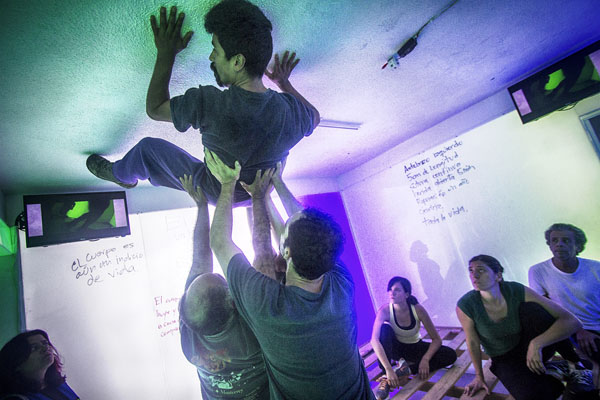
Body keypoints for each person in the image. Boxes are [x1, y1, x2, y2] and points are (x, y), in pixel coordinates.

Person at [87, 0, 320, 206]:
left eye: (215, 50)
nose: (211, 56)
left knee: (147, 150)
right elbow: (315, 116)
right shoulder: (292, 111)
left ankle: (120, 175)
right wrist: (284, 84)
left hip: (216, 190)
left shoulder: (210, 103)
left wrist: (166, 53)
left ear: (237, 62)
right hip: (258, 193)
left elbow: (155, 109)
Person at [205, 150, 374, 399]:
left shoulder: (268, 306)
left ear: (286, 251)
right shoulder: (341, 281)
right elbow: (305, 234)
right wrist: (275, 185)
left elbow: (221, 243)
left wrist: (228, 182)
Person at [176, 174, 270, 399]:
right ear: (234, 304)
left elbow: (200, 260)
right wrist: (258, 196)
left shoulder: (190, 334)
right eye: (224, 280)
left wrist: (201, 206)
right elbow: (264, 257)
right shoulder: (253, 334)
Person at [457, 254, 594, 400]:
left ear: (498, 276)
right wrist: (479, 376)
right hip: (504, 358)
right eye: (471, 270)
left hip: (530, 347)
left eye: (481, 270)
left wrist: (536, 344)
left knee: (536, 310)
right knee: (531, 395)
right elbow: (472, 342)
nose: (474, 275)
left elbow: (571, 321)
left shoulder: (515, 290)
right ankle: (557, 370)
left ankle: (575, 364)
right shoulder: (466, 305)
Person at [370, 276, 457, 399]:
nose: (392, 293)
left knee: (450, 355)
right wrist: (388, 369)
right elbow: (374, 340)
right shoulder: (384, 311)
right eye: (390, 289)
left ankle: (406, 370)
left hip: (415, 347)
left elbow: (436, 339)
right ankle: (386, 377)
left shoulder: (417, 310)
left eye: (397, 290)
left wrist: (425, 360)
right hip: (396, 350)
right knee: (385, 329)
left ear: (406, 294)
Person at [528, 223, 600, 367]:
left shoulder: (595, 268)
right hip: (569, 329)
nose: (559, 244)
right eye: (554, 240)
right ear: (549, 245)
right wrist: (578, 329)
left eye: (566, 240)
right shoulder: (538, 271)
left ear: (578, 246)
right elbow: (543, 310)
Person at [0, 330, 80, 400]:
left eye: (45, 343)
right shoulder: (16, 398)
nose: (45, 348)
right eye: (34, 348)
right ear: (16, 363)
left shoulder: (59, 384)